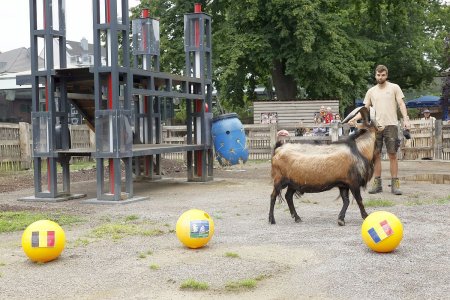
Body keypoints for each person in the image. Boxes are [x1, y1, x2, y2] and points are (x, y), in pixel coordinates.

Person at [349, 64, 410, 195]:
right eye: (378, 75)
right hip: (375, 126)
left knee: (392, 154)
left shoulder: (394, 87)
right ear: (375, 75)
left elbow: (401, 104)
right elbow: (365, 109)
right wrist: (355, 118)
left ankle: (395, 184)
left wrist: (406, 119)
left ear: (386, 75)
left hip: (391, 125)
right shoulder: (371, 91)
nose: (380, 77)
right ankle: (377, 184)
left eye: (383, 75)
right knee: (375, 155)